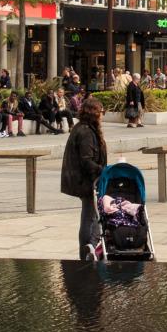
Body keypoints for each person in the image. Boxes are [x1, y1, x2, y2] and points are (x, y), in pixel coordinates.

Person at [61, 97, 108, 260]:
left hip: (84, 180)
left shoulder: (84, 128)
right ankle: (88, 249)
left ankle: (89, 248)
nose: (103, 115)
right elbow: (87, 160)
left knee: (90, 215)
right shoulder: (86, 132)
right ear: (95, 113)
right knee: (91, 216)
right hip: (86, 181)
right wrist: (104, 171)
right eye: (102, 112)